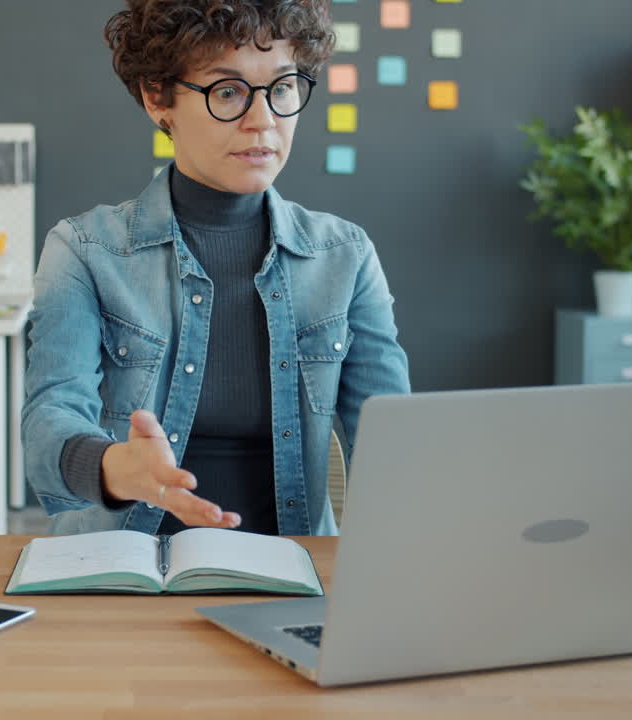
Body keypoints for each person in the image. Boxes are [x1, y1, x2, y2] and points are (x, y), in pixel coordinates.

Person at [22, 0, 410, 537]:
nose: (263, 120)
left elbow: (395, 442)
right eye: (227, 92)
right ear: (158, 98)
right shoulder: (85, 250)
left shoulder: (345, 255)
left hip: (290, 575)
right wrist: (115, 469)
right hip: (126, 574)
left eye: (282, 88)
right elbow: (48, 426)